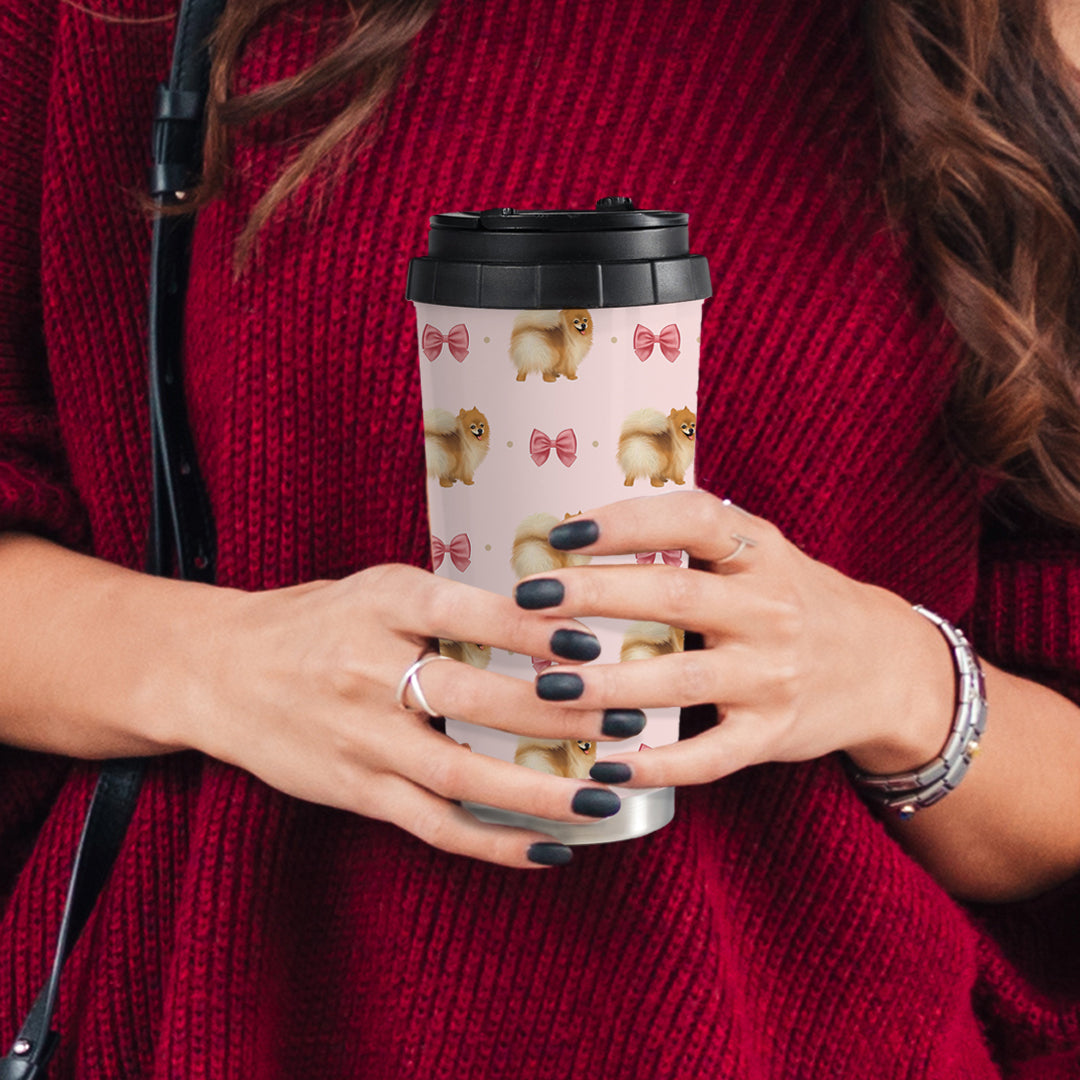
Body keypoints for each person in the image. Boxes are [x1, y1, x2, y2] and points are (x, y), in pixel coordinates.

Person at [0, 0, 1078, 1076]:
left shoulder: (997, 39)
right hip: (220, 1013)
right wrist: (216, 662)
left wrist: (894, 679)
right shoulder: (127, 20)